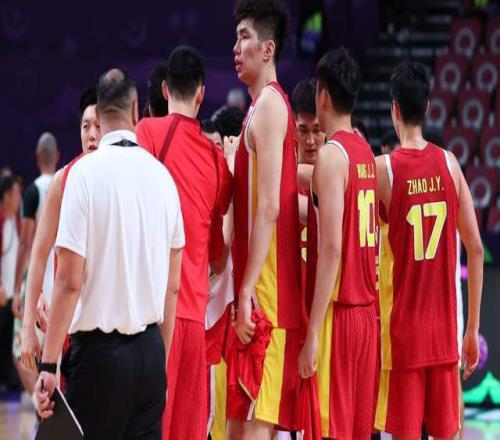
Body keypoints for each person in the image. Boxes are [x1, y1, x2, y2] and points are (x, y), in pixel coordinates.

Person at [35, 69, 184, 439]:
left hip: (99, 358)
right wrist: (159, 364)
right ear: (135, 111)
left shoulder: (83, 176)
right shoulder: (164, 179)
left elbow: (68, 282)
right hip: (150, 355)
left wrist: (49, 364)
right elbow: (173, 287)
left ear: (99, 117)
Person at [374, 61, 483, 439]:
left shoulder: (385, 170)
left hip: (404, 338)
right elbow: (476, 249)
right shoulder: (450, 164)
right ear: (429, 107)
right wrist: (472, 329)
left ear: (394, 109)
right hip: (444, 336)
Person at [137, 46, 232, 440]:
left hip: (154, 317)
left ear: (164, 89)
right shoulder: (216, 162)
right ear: (201, 94)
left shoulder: (147, 133)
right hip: (194, 321)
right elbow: (219, 253)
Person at [229, 1, 302, 438]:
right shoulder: (257, 108)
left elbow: (271, 206)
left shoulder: (272, 107)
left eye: (245, 38)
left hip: (267, 297)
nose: (236, 48)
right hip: (257, 288)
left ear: (268, 49)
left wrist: (247, 287)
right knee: (241, 428)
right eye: (236, 38)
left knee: (256, 428)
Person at [298, 47, 378, 439]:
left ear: (323, 96)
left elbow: (331, 249)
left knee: (328, 432)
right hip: (367, 316)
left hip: (339, 317)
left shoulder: (331, 155)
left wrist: (312, 332)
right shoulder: (364, 150)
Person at [20, 86, 101, 374]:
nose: (92, 135)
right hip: (69, 329)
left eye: (98, 126)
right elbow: (38, 252)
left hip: (111, 331)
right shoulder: (63, 179)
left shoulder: (122, 179)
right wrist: (27, 326)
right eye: (86, 126)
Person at [0, 176, 21, 389]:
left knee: (8, 343)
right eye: (15, 193)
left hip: (11, 296)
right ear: (6, 196)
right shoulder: (1, 221)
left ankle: (8, 383)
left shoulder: (17, 222)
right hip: (1, 293)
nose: (19, 198)